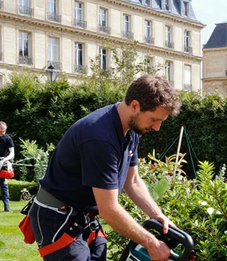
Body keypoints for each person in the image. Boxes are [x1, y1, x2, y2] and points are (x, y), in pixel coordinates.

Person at [28, 75, 181, 261]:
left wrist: (157, 215)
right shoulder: (99, 136)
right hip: (57, 216)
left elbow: (131, 181)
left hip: (83, 216)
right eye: (154, 119)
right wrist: (152, 243)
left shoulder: (131, 129)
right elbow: (108, 210)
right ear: (135, 105)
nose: (157, 127)